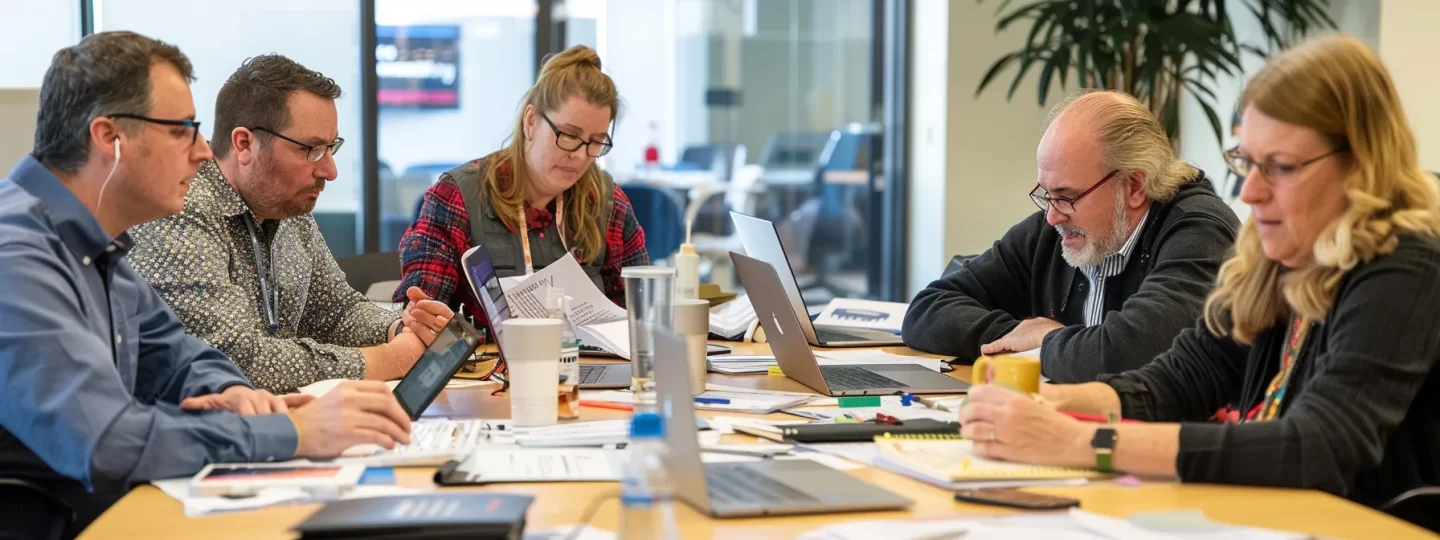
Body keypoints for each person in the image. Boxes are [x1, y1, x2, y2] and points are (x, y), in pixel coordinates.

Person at [957, 35, 1440, 507]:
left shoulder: (1406, 262)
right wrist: (1053, 406)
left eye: (1281, 167)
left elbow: (1315, 447)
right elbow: (1181, 379)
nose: (1249, 192)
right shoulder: (1277, 255)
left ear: (1359, 165)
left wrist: (1080, 442)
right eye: (1247, 162)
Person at [0, 32, 411, 536]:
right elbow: (107, 441)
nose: (200, 152)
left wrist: (234, 391)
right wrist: (288, 430)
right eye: (181, 131)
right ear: (109, 138)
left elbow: (176, 354)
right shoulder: (17, 256)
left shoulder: (91, 242)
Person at [129, 54, 454, 394]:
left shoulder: (286, 206)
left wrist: (402, 328)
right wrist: (391, 359)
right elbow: (234, 361)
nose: (330, 170)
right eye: (311, 149)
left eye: (331, 148)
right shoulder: (179, 209)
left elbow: (336, 313)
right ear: (244, 144)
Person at [902, 90, 1239, 382]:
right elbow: (928, 310)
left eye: (1066, 196)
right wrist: (1016, 336)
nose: (1051, 215)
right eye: (1046, 194)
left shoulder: (1199, 232)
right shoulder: (1054, 230)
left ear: (1134, 185)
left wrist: (1049, 341)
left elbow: (1127, 355)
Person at [394, 45, 647, 322]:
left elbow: (639, 316)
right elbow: (419, 318)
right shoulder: (458, 197)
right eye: (569, 135)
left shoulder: (606, 202)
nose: (580, 155)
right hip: (490, 364)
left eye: (596, 141)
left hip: (584, 363)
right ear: (531, 121)